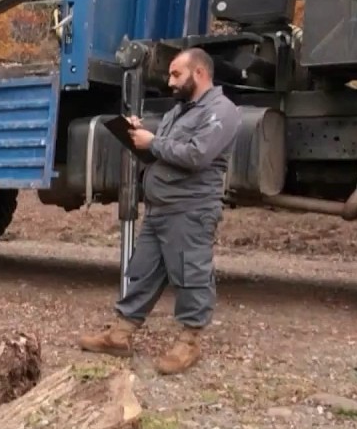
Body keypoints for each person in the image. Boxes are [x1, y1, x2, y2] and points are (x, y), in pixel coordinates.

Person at [78, 47, 240, 375]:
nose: (170, 82)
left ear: (200, 73)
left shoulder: (222, 111)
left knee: (190, 272)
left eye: (176, 74)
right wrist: (135, 137)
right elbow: (162, 156)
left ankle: (189, 342)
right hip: (160, 207)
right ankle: (120, 335)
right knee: (143, 271)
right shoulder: (177, 112)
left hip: (190, 208)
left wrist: (152, 142)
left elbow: (197, 155)